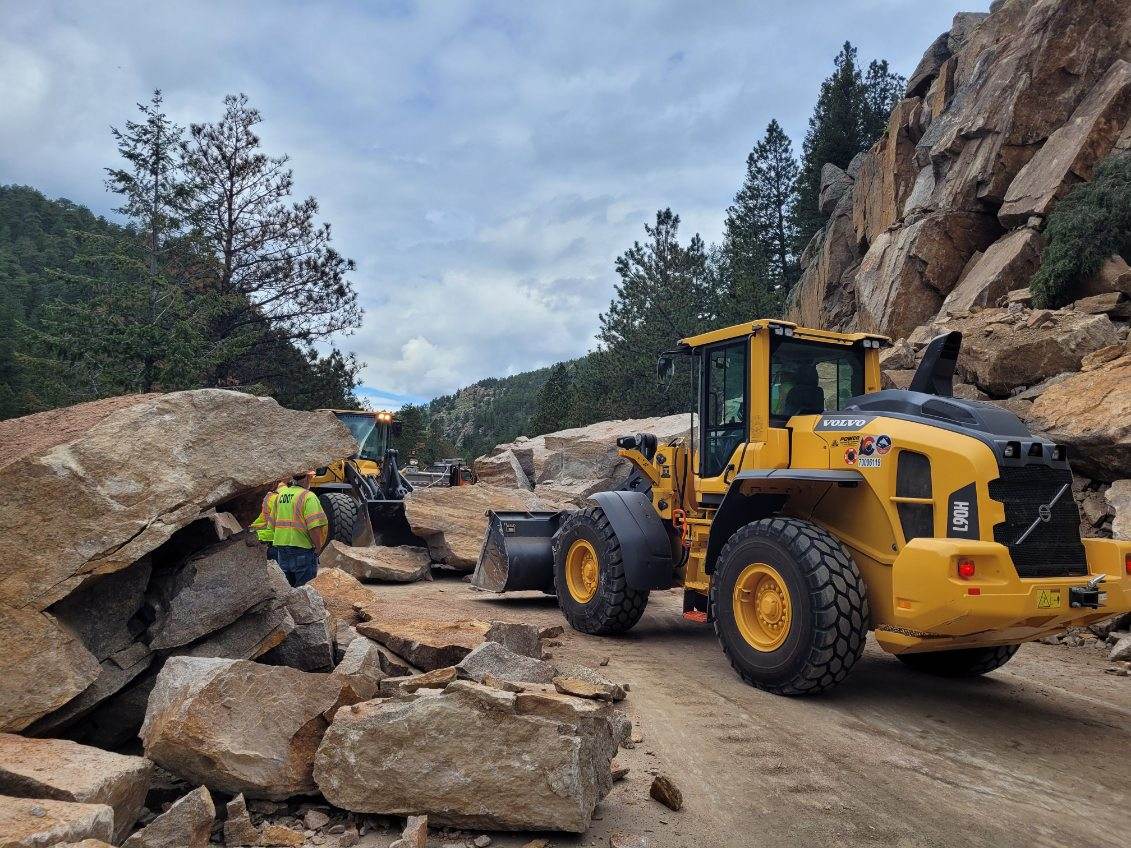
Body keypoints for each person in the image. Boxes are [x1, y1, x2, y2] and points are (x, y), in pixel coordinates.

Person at [269, 470, 329, 587]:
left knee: (287, 591)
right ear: (307, 477)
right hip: (302, 550)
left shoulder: (280, 496)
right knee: (305, 593)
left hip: (281, 550)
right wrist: (318, 547)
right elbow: (314, 527)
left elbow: (272, 524)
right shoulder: (308, 497)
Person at [249, 480, 285, 561]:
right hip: (278, 545)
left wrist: (257, 534)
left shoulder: (271, 497)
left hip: (274, 544)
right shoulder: (275, 497)